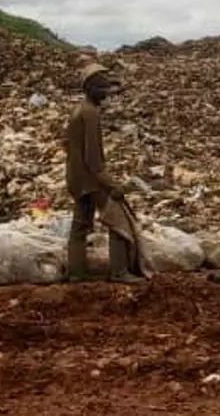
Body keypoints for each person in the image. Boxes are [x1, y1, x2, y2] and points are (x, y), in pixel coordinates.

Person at [63, 63, 143, 284]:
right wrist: (112, 185)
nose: (106, 92)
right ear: (89, 88)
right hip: (91, 180)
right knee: (117, 220)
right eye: (101, 87)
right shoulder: (90, 114)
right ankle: (120, 272)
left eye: (107, 87)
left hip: (76, 178)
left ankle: (76, 273)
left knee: (79, 226)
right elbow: (93, 159)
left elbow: (66, 143)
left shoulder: (78, 110)